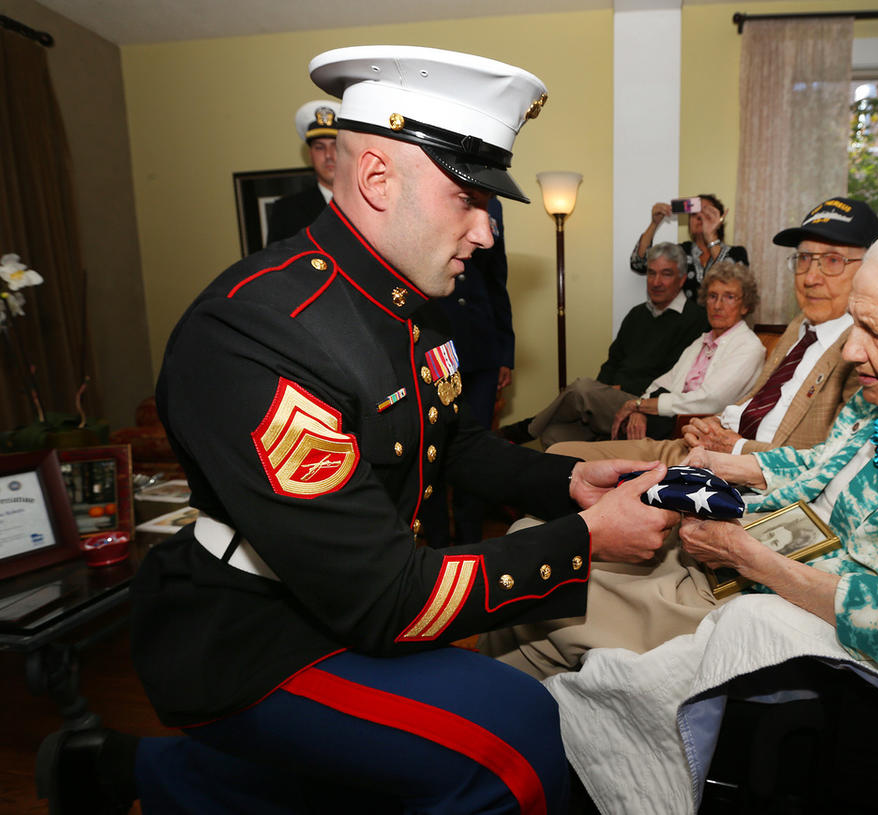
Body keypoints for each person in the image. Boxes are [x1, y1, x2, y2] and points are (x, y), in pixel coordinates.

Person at [37, 46, 679, 815]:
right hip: (256, 629)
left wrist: (566, 481)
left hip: (354, 588)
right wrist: (587, 538)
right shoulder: (258, 332)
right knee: (511, 742)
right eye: (467, 198)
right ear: (377, 179)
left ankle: (122, 770)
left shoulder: (415, 303)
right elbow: (383, 597)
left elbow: (454, 442)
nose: (486, 232)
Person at [479, 203, 878, 703]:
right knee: (542, 539)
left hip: (794, 602)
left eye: (877, 333)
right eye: (856, 324)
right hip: (770, 544)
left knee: (540, 595)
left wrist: (751, 559)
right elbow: (827, 466)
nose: (852, 352)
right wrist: (737, 465)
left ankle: (494, 755)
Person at [549, 196, 878, 465]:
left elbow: (828, 462)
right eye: (804, 259)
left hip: (735, 466)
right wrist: (715, 422)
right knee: (558, 456)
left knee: (573, 434)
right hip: (700, 440)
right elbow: (749, 401)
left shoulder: (863, 353)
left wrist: (731, 444)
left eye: (833, 260)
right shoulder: (800, 326)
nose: (810, 276)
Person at [499, 242, 708, 447]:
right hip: (613, 400)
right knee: (554, 435)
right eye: (651, 273)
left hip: (650, 406)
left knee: (581, 389)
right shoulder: (637, 314)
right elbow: (613, 360)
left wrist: (621, 392)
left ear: (681, 280)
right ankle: (598, 447)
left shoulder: (695, 319)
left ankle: (525, 429)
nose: (656, 281)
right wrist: (603, 390)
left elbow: (674, 377)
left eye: (666, 274)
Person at [422, 195, 515, 547]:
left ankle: (472, 541)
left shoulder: (492, 204)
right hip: (433, 341)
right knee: (431, 450)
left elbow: (496, 280)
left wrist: (504, 351)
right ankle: (437, 544)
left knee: (475, 450)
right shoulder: (435, 188)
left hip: (481, 348)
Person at [609, 260, 766, 441]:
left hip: (690, 429)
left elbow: (709, 400)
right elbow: (663, 382)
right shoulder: (702, 341)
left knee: (588, 401)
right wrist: (640, 409)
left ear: (746, 305)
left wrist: (639, 406)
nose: (717, 305)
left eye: (729, 297)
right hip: (664, 416)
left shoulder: (749, 347)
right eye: (712, 296)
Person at [631, 194, 748, 299]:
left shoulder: (737, 253)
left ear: (719, 220)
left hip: (723, 321)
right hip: (684, 322)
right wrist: (654, 223)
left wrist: (711, 237)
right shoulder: (680, 252)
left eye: (706, 213)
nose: (699, 217)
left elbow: (736, 285)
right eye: (694, 213)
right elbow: (639, 264)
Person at [265, 99, 340, 244]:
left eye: (335, 146)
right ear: (310, 155)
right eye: (319, 147)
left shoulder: (371, 203)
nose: (328, 155)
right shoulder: (286, 211)